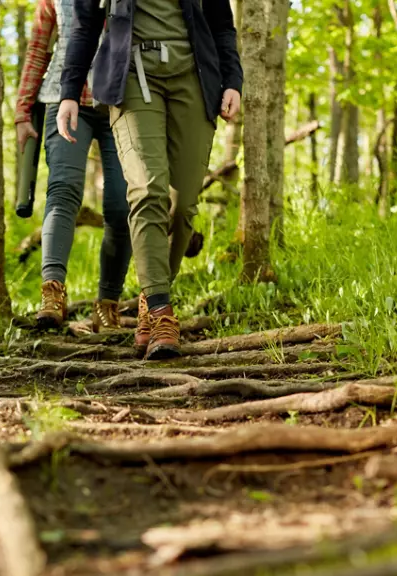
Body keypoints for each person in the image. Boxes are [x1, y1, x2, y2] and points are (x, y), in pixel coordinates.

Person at [58, 0, 242, 359]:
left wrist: (233, 80)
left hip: (195, 76)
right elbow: (85, 25)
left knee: (184, 204)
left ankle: (149, 300)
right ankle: (160, 312)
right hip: (130, 76)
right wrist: (69, 91)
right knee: (147, 191)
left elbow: (222, 25)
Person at [15, 0, 133, 332]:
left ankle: (108, 304)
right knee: (63, 189)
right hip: (62, 99)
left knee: (121, 203)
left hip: (120, 100)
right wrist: (23, 112)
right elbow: (38, 49)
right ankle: (52, 294)